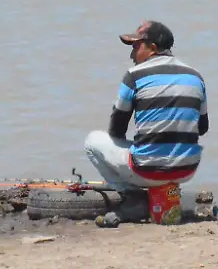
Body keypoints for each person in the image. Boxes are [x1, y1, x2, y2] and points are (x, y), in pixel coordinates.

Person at [84, 20, 209, 191]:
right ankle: (164, 192)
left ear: (152, 47)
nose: (131, 55)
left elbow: (116, 130)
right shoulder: (195, 77)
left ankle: (128, 195)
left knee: (92, 141)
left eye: (136, 47)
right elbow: (202, 128)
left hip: (146, 172)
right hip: (187, 170)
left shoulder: (134, 76)